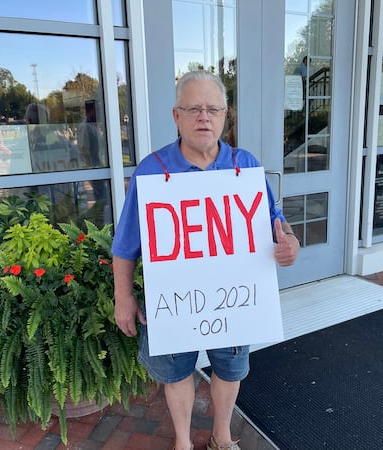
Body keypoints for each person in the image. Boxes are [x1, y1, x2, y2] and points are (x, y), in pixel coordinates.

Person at [111, 70, 299, 450]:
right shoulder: (152, 171)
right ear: (175, 115)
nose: (204, 117)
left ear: (225, 115)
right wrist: (123, 297)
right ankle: (182, 441)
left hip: (231, 298)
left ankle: (222, 437)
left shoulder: (244, 166)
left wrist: (290, 242)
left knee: (229, 370)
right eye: (193, 108)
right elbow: (125, 243)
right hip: (176, 300)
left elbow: (275, 221)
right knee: (176, 372)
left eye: (213, 108)